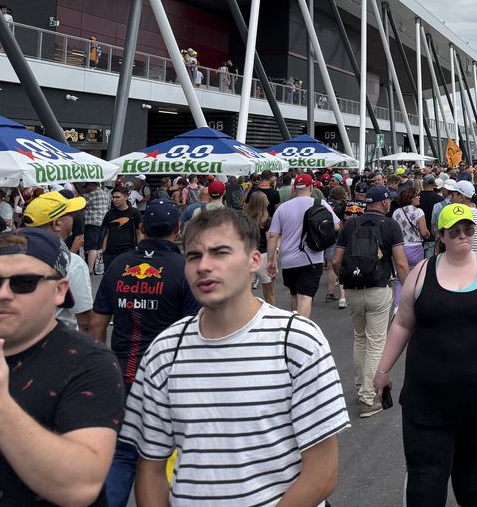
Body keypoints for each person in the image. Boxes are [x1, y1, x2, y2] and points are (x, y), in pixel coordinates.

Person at [121, 207, 349, 505]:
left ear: (254, 260)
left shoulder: (296, 341)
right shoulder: (164, 351)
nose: (204, 266)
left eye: (220, 253)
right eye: (193, 256)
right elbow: (150, 468)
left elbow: (322, 472)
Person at [373, 202, 477, 507]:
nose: (463, 237)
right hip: (426, 397)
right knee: (426, 471)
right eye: (455, 232)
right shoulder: (422, 273)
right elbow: (402, 324)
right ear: (442, 236)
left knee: (471, 464)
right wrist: (383, 370)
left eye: (468, 230)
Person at [0, 227, 125, 506]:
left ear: (60, 290)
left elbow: (81, 485)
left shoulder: (89, 364)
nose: (2, 294)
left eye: (24, 282)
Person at [91, 199, 198, 506]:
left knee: (122, 453)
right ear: (178, 230)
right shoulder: (184, 269)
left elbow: (97, 323)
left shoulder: (118, 265)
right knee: (168, 455)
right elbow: (194, 330)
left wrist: (102, 369)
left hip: (122, 373)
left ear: (140, 229)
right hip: (170, 378)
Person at [333, 185, 409, 419]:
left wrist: (346, 279)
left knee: (360, 338)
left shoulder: (351, 225)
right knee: (377, 342)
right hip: (379, 287)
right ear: (384, 203)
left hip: (354, 289)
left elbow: (336, 261)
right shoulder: (390, 226)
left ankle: (360, 386)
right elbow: (401, 263)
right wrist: (409, 290)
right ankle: (368, 397)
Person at [265, 172, 341, 317]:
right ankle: (300, 330)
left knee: (294, 295)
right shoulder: (320, 204)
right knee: (305, 297)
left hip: (288, 260)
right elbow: (337, 225)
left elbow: (273, 235)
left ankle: (294, 326)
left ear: (294, 188)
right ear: (311, 187)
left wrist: (271, 260)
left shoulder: (283, 208)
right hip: (312, 258)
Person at [21, 190, 95, 332]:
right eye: (70, 215)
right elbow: (85, 322)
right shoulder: (73, 263)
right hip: (59, 345)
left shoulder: (7, 257)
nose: (74, 218)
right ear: (57, 223)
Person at [242, 188, 277, 306]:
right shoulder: (267, 221)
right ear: (264, 203)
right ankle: (272, 317)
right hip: (264, 256)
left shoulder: (244, 220)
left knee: (246, 293)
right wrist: (274, 260)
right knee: (269, 294)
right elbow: (270, 241)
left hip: (248, 256)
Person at [98, 187, 141, 268]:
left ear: (126, 197)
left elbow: (139, 232)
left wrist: (140, 249)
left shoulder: (134, 213)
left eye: (118, 197)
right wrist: (103, 250)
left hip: (127, 251)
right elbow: (106, 232)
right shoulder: (110, 213)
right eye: (113, 197)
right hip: (110, 253)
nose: (114, 200)